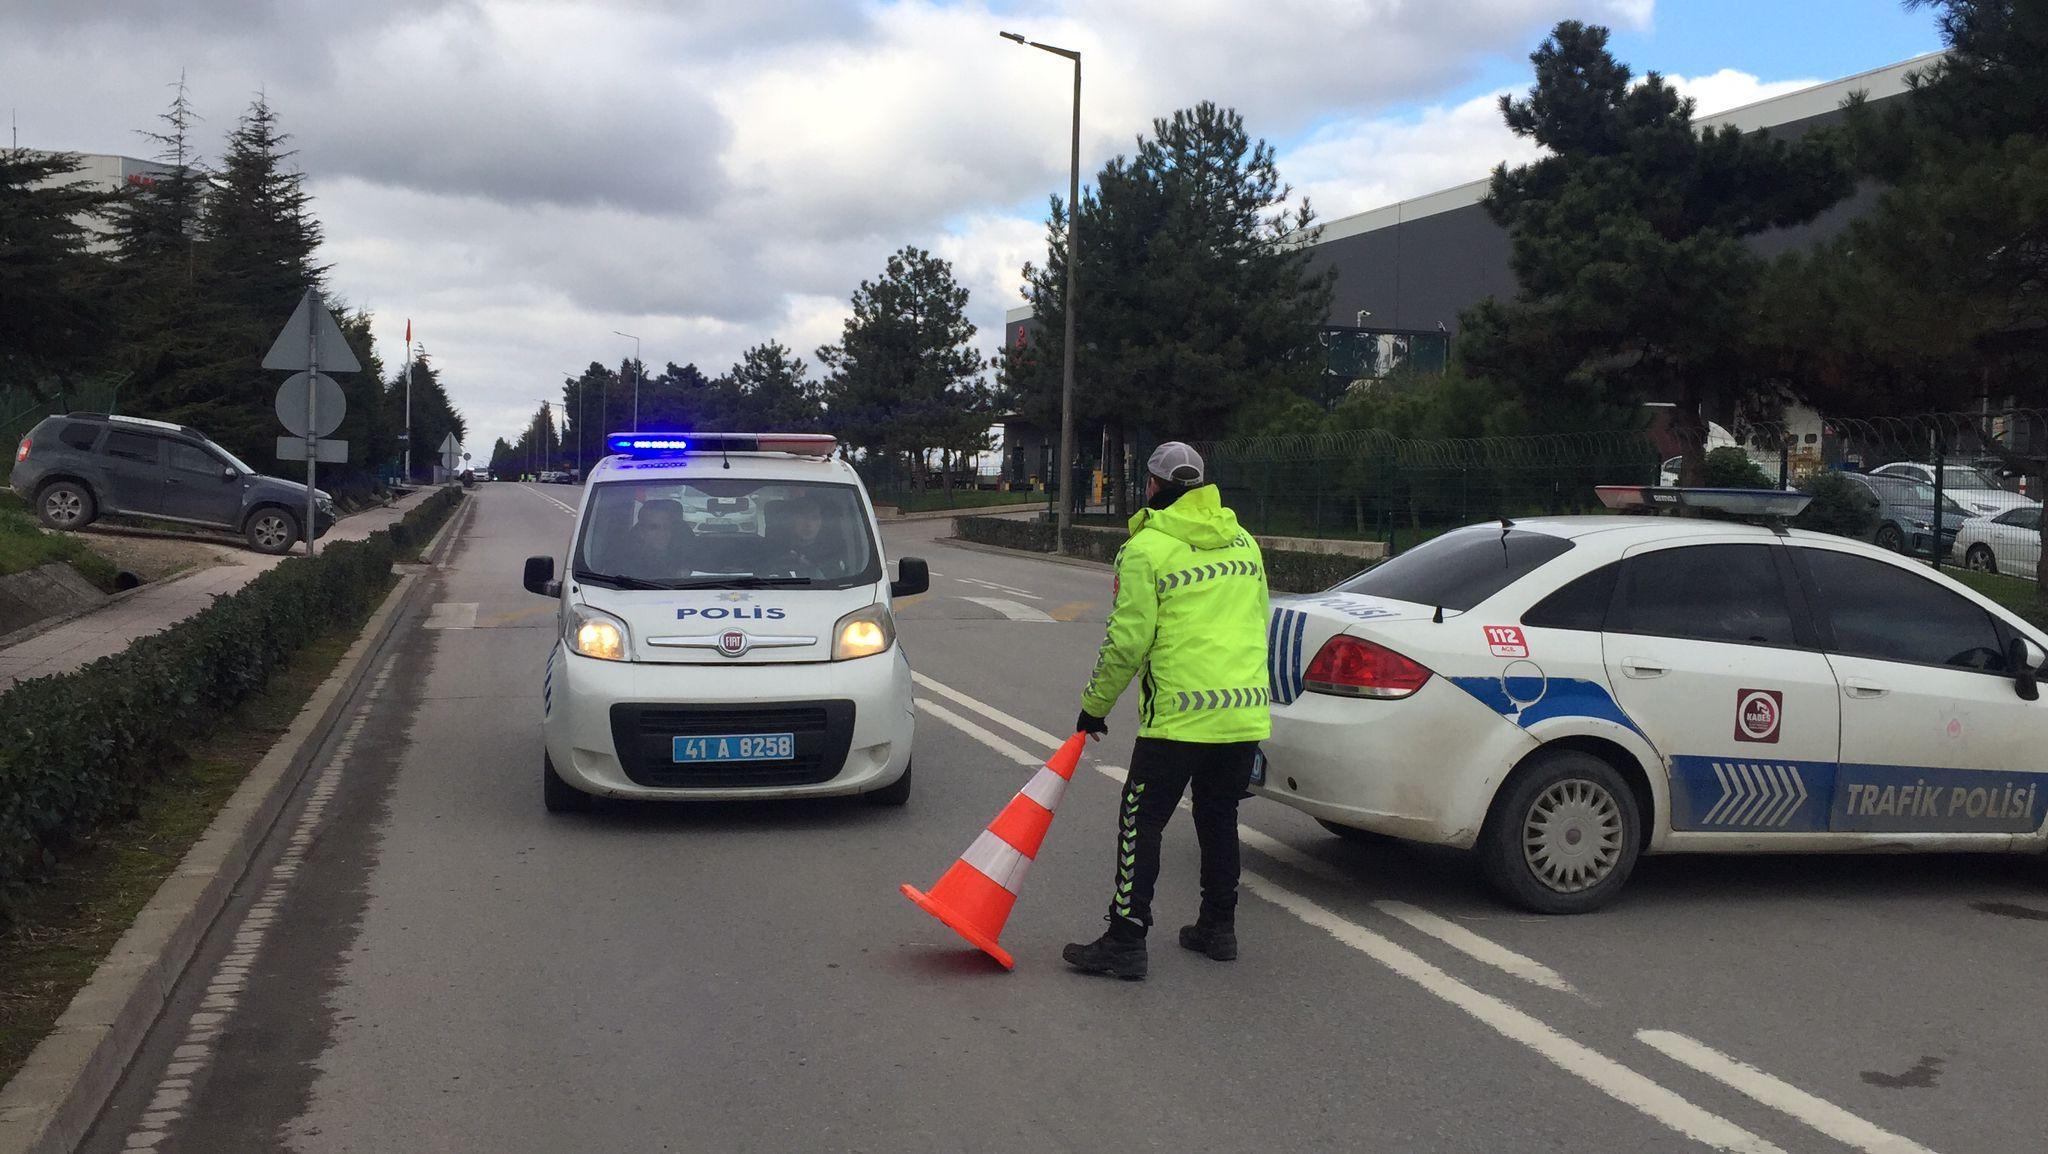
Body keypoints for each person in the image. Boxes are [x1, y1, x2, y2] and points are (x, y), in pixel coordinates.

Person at [1063, 442, 1270, 981]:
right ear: (1200, 485)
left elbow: (1127, 642)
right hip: (1242, 713)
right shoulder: (1245, 542)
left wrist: (1094, 708)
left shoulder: (1145, 549)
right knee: (1219, 816)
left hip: (1179, 717)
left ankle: (1126, 939)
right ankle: (1217, 928)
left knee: (1141, 820)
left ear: (1152, 486)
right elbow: (1258, 621)